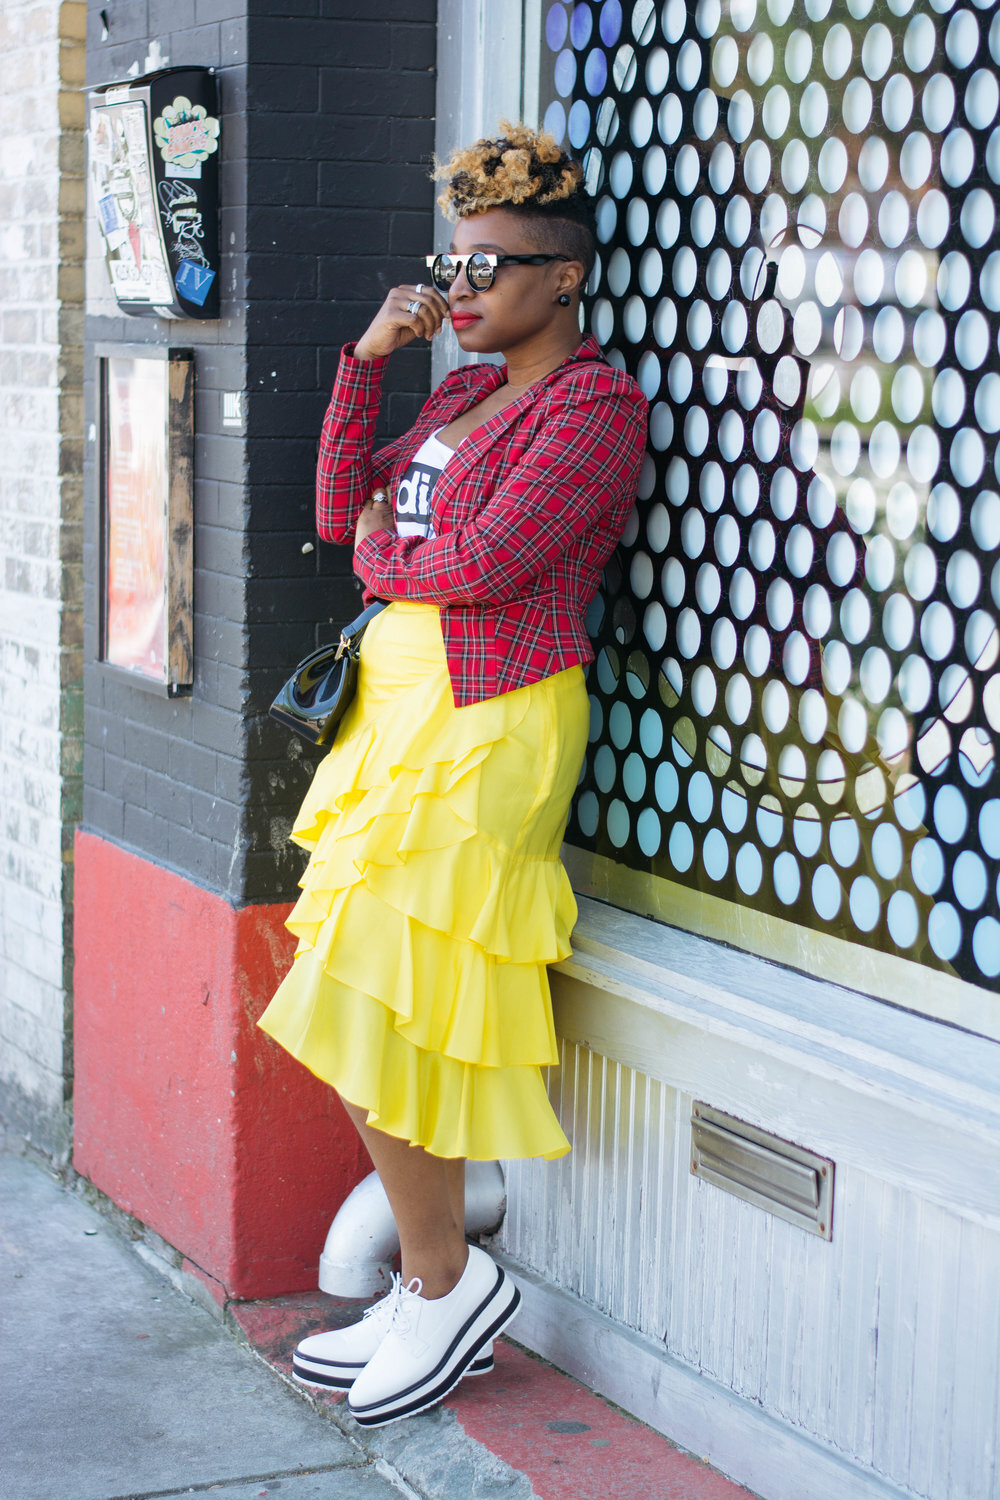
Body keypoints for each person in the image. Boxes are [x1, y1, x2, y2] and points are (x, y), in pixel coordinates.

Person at [258, 122, 647, 1428]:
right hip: (402, 718)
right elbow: (335, 512)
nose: (462, 289)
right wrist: (367, 366)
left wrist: (379, 549)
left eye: (490, 266)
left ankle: (443, 1279)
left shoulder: (593, 407)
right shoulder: (463, 395)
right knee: (377, 1004)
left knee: (387, 1003)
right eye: (452, 262)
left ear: (565, 278)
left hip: (493, 727)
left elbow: (475, 564)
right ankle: (435, 1278)